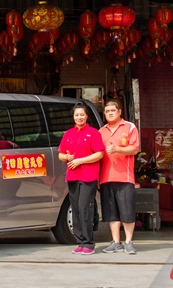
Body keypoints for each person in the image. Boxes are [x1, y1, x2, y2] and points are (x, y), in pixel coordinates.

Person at [58, 102, 105, 254]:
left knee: (85, 208)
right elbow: (60, 155)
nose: (79, 117)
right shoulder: (68, 134)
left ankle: (89, 243)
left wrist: (80, 160)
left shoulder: (93, 133)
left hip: (88, 176)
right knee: (76, 208)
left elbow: (100, 154)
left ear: (86, 116)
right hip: (72, 176)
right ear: (73, 117)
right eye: (76, 115)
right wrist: (66, 157)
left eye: (82, 115)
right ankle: (80, 241)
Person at [98, 100, 141, 255]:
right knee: (111, 212)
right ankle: (115, 241)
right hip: (105, 177)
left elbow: (134, 149)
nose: (110, 113)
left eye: (112, 110)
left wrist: (117, 149)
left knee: (127, 211)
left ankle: (128, 241)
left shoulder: (129, 127)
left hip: (125, 177)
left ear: (119, 112)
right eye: (107, 111)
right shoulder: (101, 131)